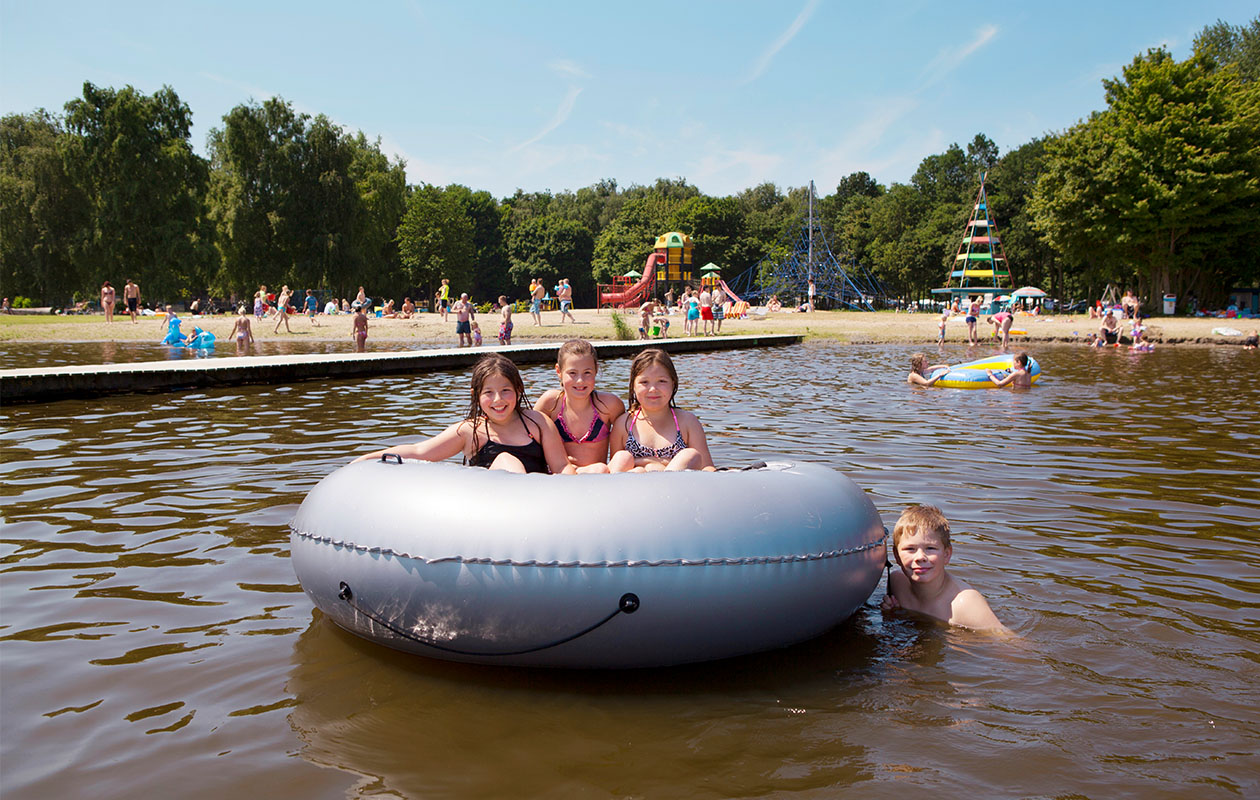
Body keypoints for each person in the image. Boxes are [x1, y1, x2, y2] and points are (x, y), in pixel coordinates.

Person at [353, 353, 569, 474]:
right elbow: (419, 451)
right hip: (495, 504)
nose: (498, 400)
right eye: (488, 393)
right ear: (476, 395)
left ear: (518, 390)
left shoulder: (537, 423)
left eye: (505, 391)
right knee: (506, 460)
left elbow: (561, 467)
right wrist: (366, 459)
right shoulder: (469, 431)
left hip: (536, 503)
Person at [880, 505, 1003, 630]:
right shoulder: (897, 583)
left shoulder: (965, 603)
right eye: (910, 549)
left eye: (930, 548)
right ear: (896, 555)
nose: (920, 557)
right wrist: (892, 613)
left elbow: (1008, 643)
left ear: (946, 554)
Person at [608, 348, 714, 472]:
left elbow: (707, 467)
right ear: (633, 386)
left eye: (662, 381)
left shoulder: (687, 422)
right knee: (622, 458)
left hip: (674, 486)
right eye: (644, 382)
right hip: (635, 485)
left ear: (673, 384)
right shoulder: (623, 424)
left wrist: (650, 464)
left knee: (690, 455)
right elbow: (616, 467)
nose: (653, 389)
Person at [533, 339, 627, 474]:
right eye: (572, 373)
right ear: (558, 371)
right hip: (562, 476)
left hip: (596, 476)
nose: (580, 380)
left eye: (587, 372)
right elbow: (527, 433)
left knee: (605, 466)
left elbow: (627, 437)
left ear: (596, 370)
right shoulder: (550, 403)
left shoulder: (609, 405)